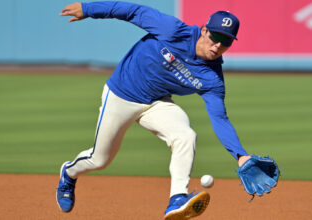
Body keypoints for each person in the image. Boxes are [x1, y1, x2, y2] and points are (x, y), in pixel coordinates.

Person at [57, 1, 279, 219]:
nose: (218, 45)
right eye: (216, 37)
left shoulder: (212, 79)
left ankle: (177, 199)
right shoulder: (173, 31)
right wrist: (89, 9)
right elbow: (133, 12)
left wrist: (240, 155)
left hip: (157, 103)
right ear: (204, 30)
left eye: (226, 41)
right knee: (99, 160)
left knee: (185, 136)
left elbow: (220, 118)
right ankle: (69, 173)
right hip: (121, 95)